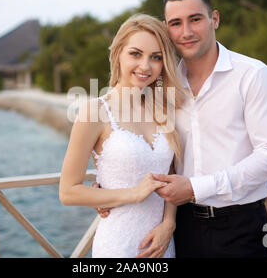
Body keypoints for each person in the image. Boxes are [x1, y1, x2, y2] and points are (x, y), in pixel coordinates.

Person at [96, 0, 267, 258]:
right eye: (176, 23)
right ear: (166, 29)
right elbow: (149, 149)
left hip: (240, 226)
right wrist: (109, 189)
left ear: (215, 19)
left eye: (195, 19)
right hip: (177, 227)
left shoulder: (254, 76)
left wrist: (196, 188)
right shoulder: (160, 87)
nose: (186, 32)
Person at [59, 14, 184, 258]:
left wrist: (169, 223)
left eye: (156, 57)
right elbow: (68, 191)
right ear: (118, 54)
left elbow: (171, 175)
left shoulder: (164, 109)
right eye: (135, 54)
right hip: (118, 245)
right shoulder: (95, 112)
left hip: (162, 245)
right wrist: (133, 194)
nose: (145, 66)